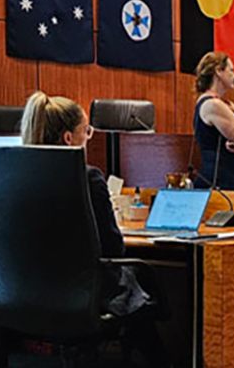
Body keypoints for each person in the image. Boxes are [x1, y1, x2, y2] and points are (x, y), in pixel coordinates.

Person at [19, 91, 169, 367]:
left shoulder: (12, 177)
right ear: (68, 138)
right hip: (78, 299)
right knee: (138, 287)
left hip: (19, 299)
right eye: (86, 131)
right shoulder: (88, 178)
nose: (89, 138)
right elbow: (114, 249)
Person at [193, 52, 234, 190]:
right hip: (221, 183)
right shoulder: (213, 105)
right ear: (219, 71)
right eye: (231, 70)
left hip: (229, 180)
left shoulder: (214, 103)